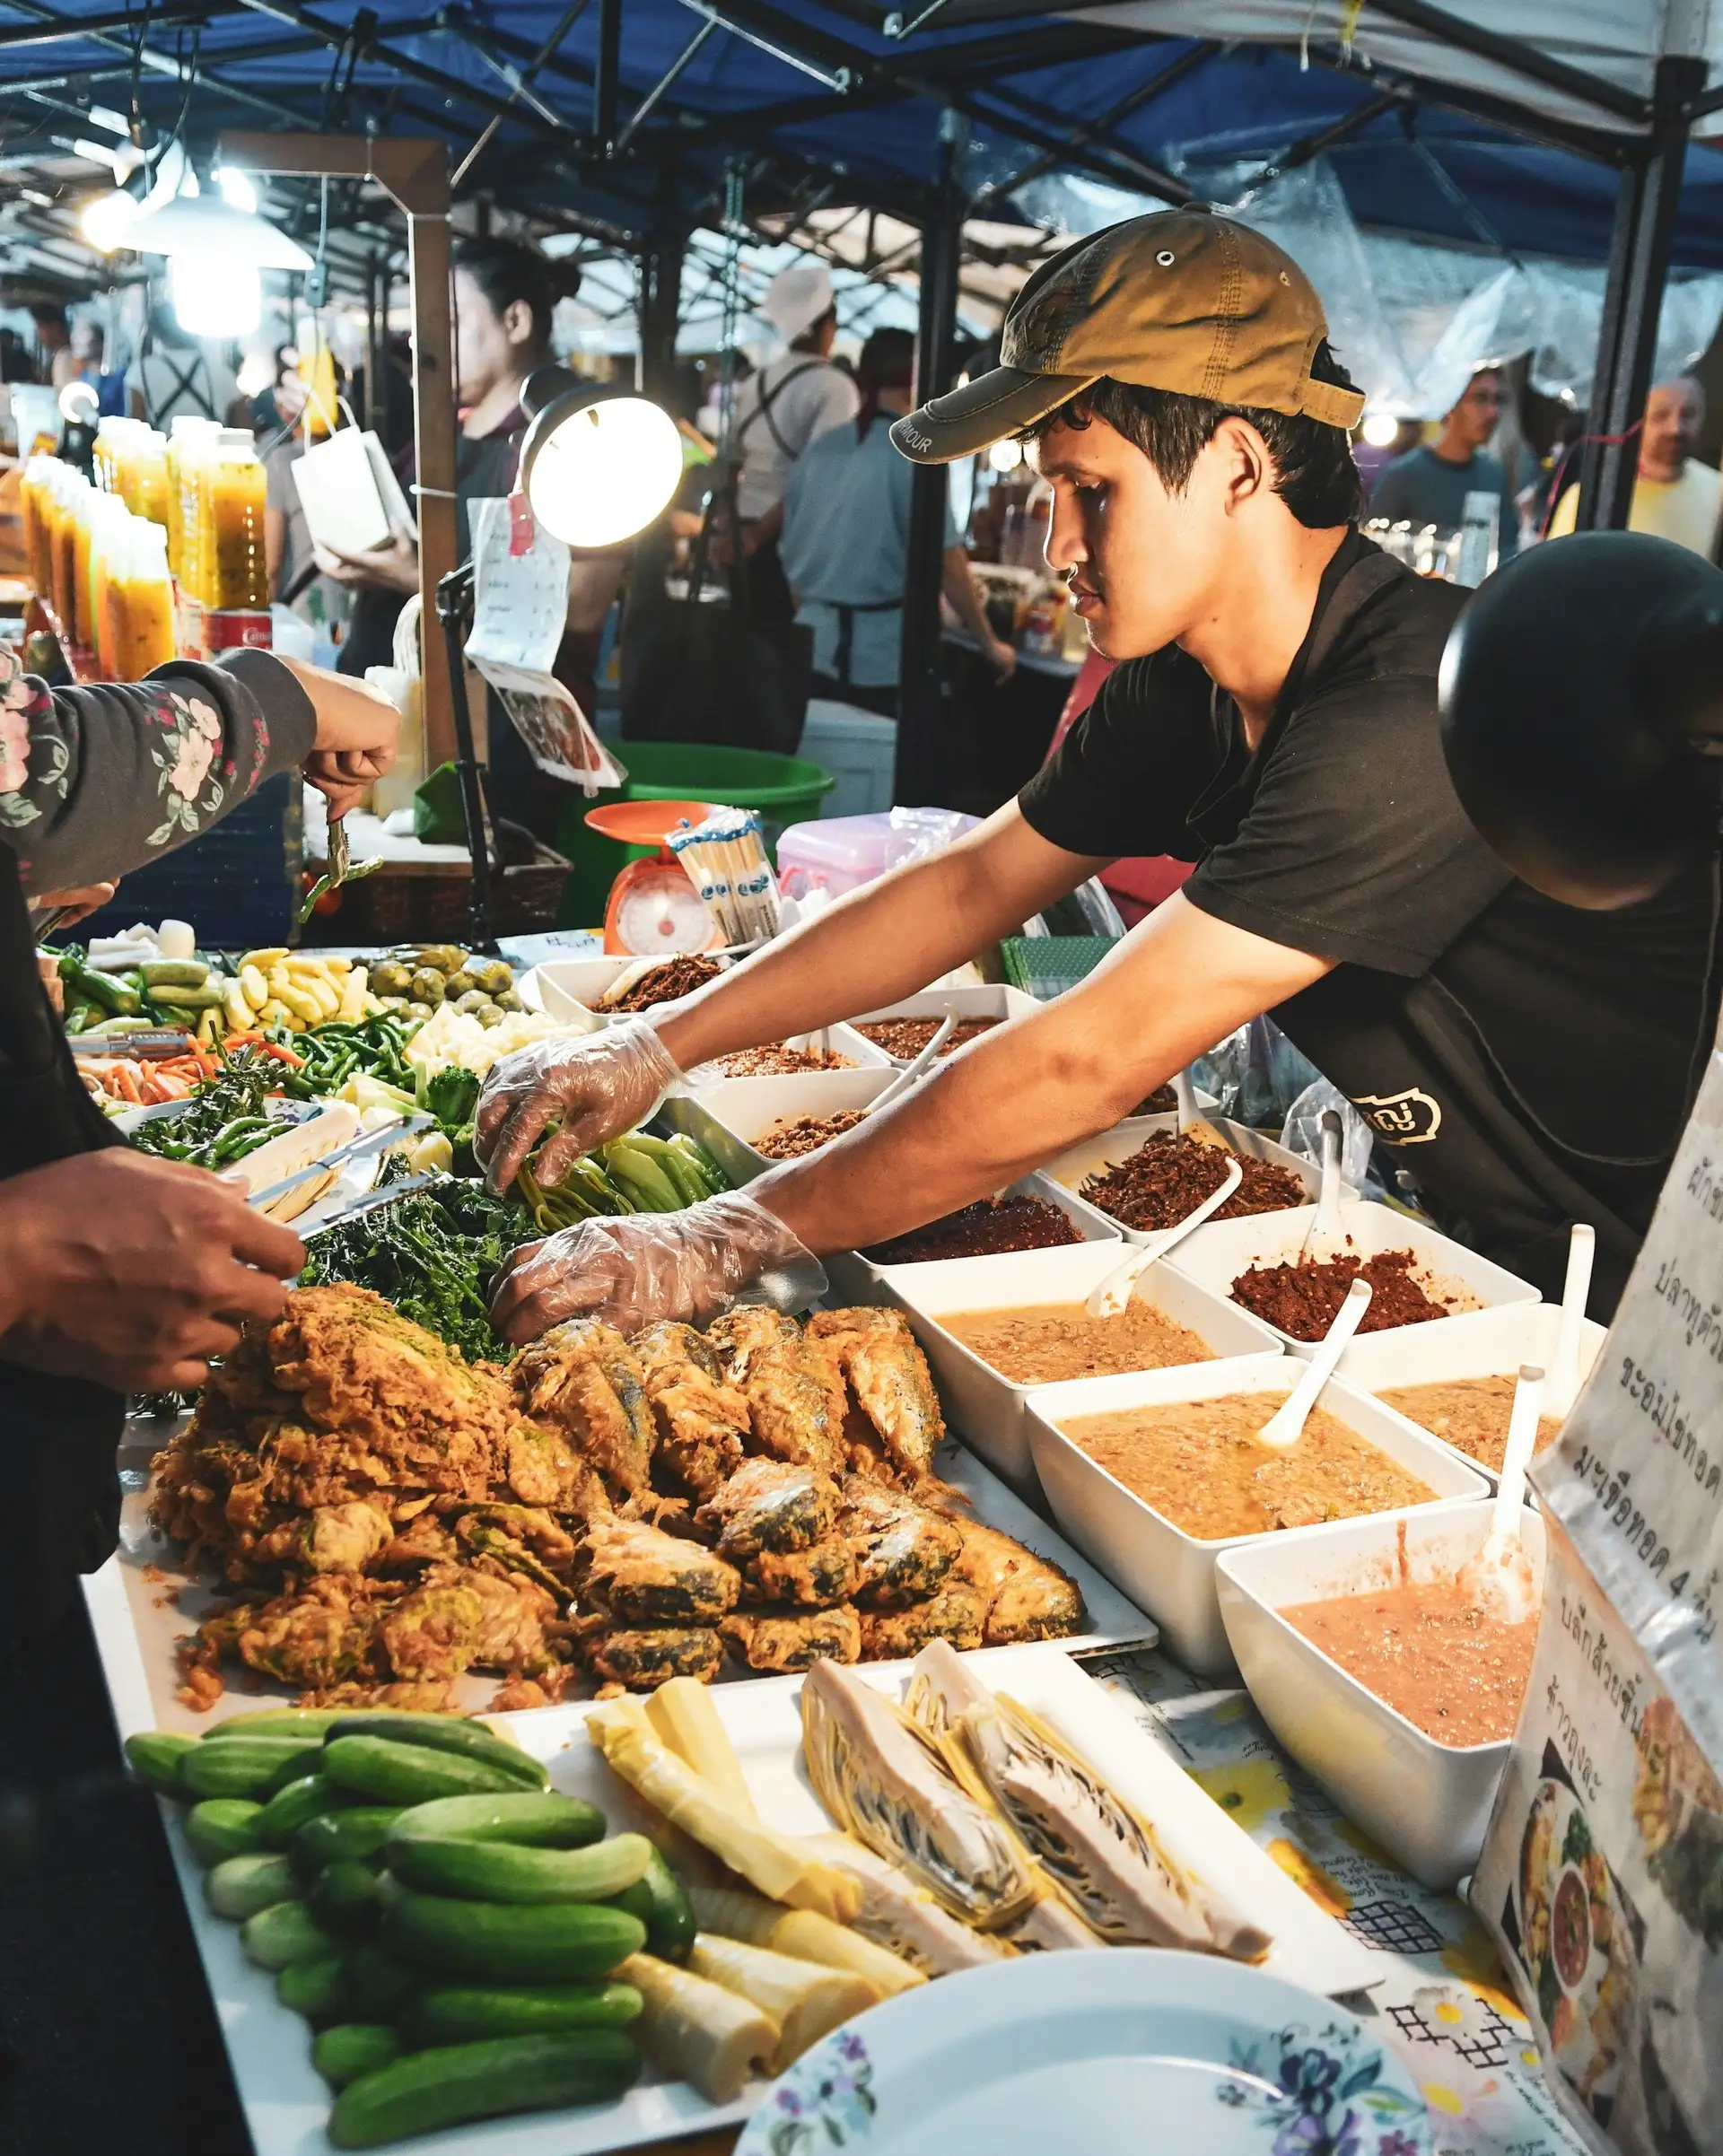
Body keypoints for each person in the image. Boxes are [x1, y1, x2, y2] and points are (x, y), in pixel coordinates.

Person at [472, 207, 1719, 1345]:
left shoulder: (1408, 712)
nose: (1059, 545)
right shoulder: (1184, 680)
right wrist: (655, 1040)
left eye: (1092, 493)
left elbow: (1090, 1056)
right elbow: (971, 885)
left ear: (1239, 464)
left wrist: (723, 1232)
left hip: (1656, 1274)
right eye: (1049, 493)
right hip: (1494, 1240)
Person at [320, 235, 621, 842]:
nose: (427, 342)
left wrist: (415, 578)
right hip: (393, 743)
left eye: (450, 321)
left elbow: (586, 603)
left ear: (515, 320)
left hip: (498, 762)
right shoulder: (435, 438)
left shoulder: (572, 439)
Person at [778, 327, 1015, 714]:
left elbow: (790, 559)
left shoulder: (820, 449)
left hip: (810, 652)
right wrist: (989, 643)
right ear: (919, 383)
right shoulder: (913, 457)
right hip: (881, 664)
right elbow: (950, 568)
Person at [727, 263, 860, 621]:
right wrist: (760, 535)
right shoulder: (834, 386)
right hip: (786, 540)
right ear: (827, 327)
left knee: (743, 646)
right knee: (784, 658)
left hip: (739, 531)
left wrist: (735, 534)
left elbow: (731, 461)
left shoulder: (754, 381)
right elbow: (821, 477)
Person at [1547, 373, 1723, 558]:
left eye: (1688, 414)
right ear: (1638, 421)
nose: (1676, 428)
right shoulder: (1593, 497)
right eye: (1660, 416)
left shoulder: (1718, 489)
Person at [1369, 366, 1517, 561]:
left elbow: (1506, 549)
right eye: (1480, 399)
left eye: (1498, 400)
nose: (1492, 412)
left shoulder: (1493, 475)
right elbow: (1373, 552)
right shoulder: (1403, 475)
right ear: (1450, 404)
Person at [127, 296, 241, 429]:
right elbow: (245, 430)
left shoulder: (140, 372)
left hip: (163, 449)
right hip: (212, 449)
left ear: (158, 332)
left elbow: (136, 428)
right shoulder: (223, 372)